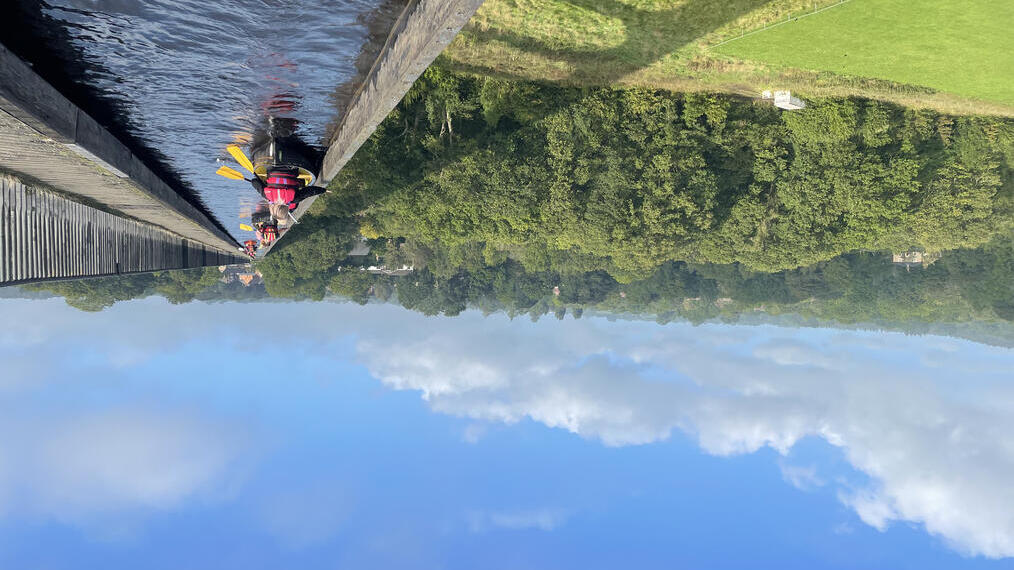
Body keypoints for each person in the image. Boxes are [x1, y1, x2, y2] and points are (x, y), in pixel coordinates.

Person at [249, 167, 326, 211]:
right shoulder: (267, 196)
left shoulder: (294, 199)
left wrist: (323, 190)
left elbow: (310, 191)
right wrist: (264, 183)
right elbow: (254, 182)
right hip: (272, 169)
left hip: (292, 170)